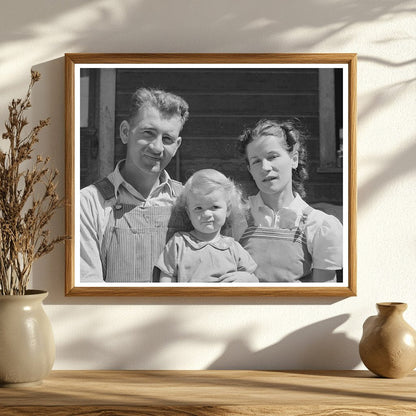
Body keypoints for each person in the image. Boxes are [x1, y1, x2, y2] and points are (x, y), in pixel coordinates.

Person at [80, 87, 190, 282]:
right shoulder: (89, 203)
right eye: (148, 133)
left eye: (167, 139)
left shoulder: (189, 202)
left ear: (177, 145)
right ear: (125, 132)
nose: (157, 147)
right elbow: (88, 287)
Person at [237, 119, 343, 283]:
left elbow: (323, 297)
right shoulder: (236, 218)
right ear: (249, 169)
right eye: (256, 161)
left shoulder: (319, 225)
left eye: (272, 157)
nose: (265, 167)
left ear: (294, 159)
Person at [155, 169, 258, 283]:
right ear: (189, 212)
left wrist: (246, 278)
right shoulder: (179, 243)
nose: (207, 214)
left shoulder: (233, 247)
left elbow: (254, 279)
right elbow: (166, 277)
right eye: (198, 208)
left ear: (228, 209)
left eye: (214, 207)